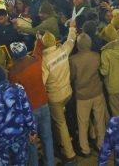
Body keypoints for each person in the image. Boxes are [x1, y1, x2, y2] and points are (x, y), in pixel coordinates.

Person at [8, 41, 55, 166]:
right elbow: (38, 50)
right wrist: (37, 41)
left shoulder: (13, 72)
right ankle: (50, 163)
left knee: (31, 142)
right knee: (47, 137)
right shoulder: (36, 60)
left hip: (29, 111)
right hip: (44, 104)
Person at [36, 24, 77, 164]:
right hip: (68, 92)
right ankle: (63, 143)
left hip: (55, 98)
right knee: (63, 121)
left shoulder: (45, 61)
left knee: (60, 124)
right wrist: (72, 28)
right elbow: (71, 40)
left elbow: (41, 81)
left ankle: (70, 154)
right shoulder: (63, 51)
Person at [0, 65, 37, 166]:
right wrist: (32, 130)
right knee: (20, 163)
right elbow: (27, 111)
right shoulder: (19, 89)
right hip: (19, 135)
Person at [69, 33, 107, 156]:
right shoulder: (96, 56)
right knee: (99, 120)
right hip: (97, 92)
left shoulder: (73, 60)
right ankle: (101, 144)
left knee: (83, 123)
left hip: (82, 95)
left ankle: (85, 149)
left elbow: (72, 77)